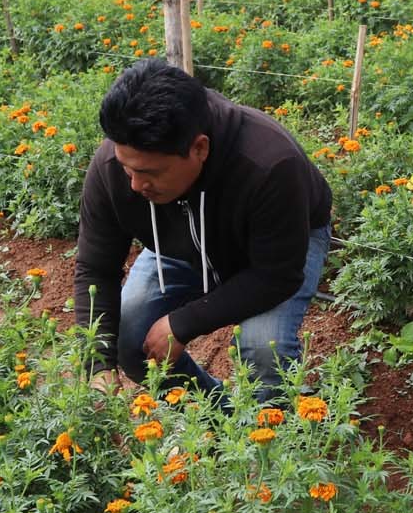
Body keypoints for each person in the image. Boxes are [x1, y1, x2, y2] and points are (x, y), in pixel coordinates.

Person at [74, 58, 332, 402]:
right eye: (127, 168)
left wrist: (182, 323)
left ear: (199, 148)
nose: (136, 185)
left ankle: (274, 434)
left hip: (275, 252)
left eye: (150, 172)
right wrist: (98, 366)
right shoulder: (114, 165)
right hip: (181, 243)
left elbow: (276, 275)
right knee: (130, 334)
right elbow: (96, 268)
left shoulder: (269, 164)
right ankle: (213, 417)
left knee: (263, 348)